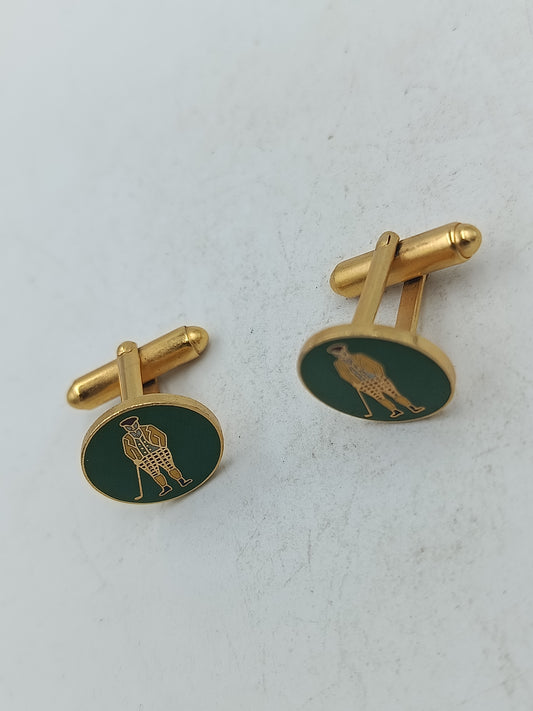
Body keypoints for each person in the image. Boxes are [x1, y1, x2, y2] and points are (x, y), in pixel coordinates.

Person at [326, 343, 425, 419]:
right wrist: (354, 383)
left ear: (346, 351)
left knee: (394, 394)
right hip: (364, 384)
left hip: (377, 378)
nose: (343, 357)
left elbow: (375, 365)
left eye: (344, 354)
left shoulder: (359, 356)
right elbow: (344, 375)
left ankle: (411, 407)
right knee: (379, 398)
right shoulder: (338, 364)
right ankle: (394, 410)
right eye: (339, 356)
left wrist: (379, 374)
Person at [120, 416, 192, 496]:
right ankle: (165, 487)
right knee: (155, 473)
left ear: (137, 423)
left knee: (170, 466)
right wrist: (135, 459)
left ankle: (181, 480)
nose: (133, 428)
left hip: (159, 451)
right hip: (145, 458)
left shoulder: (148, 428)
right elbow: (128, 451)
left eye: (134, 425)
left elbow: (161, 436)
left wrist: (163, 446)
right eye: (129, 428)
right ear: (126, 428)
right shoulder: (127, 438)